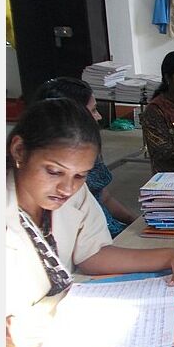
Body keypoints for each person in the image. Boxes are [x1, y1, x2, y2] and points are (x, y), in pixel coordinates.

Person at [5, 98, 174, 347]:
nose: (67, 188)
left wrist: (171, 255)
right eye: (53, 171)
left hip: (57, 336)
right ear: (19, 151)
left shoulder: (71, 194)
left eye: (80, 175)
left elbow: (92, 253)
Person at [34, 77, 139, 237]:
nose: (99, 117)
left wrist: (135, 221)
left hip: (106, 230)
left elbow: (104, 197)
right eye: (94, 110)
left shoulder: (87, 148)